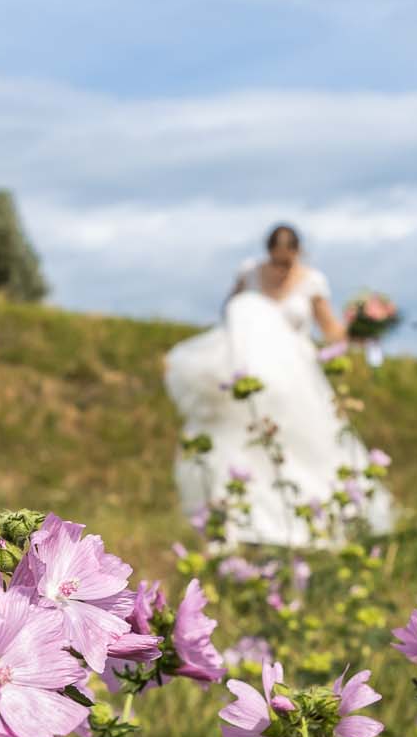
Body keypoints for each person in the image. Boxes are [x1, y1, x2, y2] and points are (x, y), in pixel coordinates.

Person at [165, 224, 392, 547]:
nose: (281, 269)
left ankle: (314, 519)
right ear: (268, 252)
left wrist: (366, 326)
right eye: (276, 261)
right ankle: (243, 520)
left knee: (307, 444)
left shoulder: (312, 282)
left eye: (287, 262)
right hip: (249, 372)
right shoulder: (249, 274)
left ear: (298, 254)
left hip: (297, 377)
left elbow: (331, 331)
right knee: (239, 441)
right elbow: (229, 315)